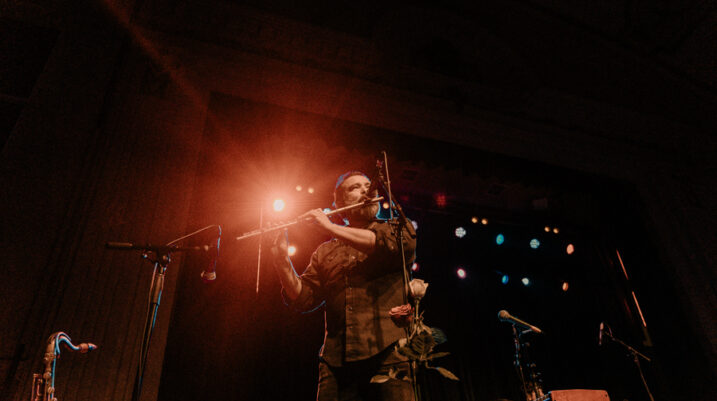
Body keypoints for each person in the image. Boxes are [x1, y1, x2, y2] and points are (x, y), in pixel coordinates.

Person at [271, 170, 417, 401]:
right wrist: (281, 260)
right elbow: (303, 298)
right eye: (355, 188)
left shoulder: (396, 228)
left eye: (368, 186)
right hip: (336, 361)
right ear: (339, 204)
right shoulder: (325, 252)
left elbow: (382, 245)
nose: (366, 191)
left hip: (390, 354)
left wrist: (329, 227)